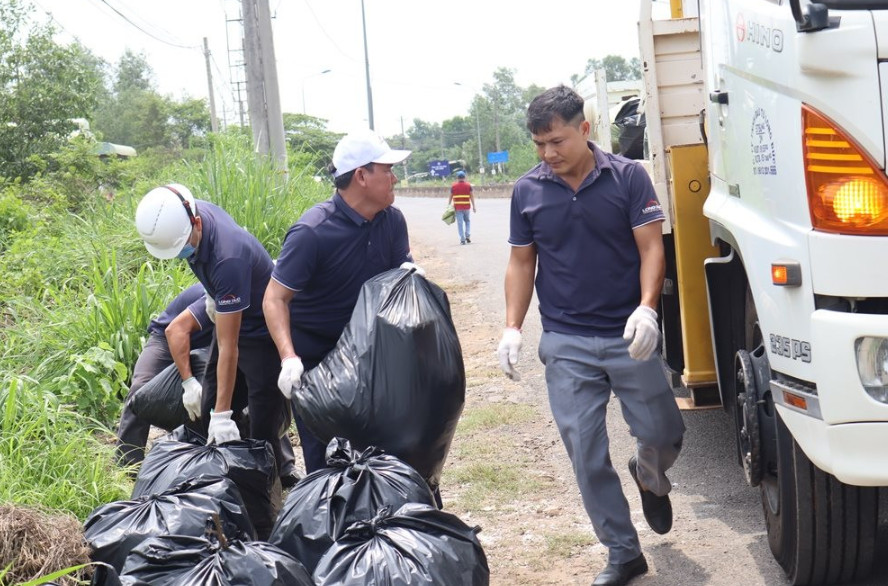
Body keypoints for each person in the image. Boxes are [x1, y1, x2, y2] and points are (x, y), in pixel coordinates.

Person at [496, 85, 685, 586]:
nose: (548, 153)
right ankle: (623, 552)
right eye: (539, 144)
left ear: (584, 129)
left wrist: (647, 310)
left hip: (628, 333)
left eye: (556, 140)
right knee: (584, 449)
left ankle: (650, 472)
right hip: (566, 341)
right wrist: (513, 327)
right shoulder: (528, 191)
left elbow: (650, 249)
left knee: (664, 433)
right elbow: (521, 261)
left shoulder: (628, 178)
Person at [263, 128, 420, 475]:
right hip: (319, 366)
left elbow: (399, 281)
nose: (394, 178)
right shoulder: (313, 232)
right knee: (328, 467)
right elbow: (275, 298)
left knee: (388, 456)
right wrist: (289, 358)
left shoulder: (392, 221)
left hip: (371, 357)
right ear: (362, 175)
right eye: (387, 169)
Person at [134, 184, 296, 500]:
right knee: (207, 409)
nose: (183, 254)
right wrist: (214, 408)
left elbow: (229, 348)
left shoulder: (228, 257)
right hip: (230, 305)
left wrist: (223, 416)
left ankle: (266, 505)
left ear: (196, 223)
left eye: (183, 246)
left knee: (262, 429)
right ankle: (215, 492)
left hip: (260, 332)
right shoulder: (188, 216)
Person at [115, 283, 212, 468]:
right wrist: (188, 381)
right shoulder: (222, 291)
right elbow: (174, 331)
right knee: (141, 388)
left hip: (207, 348)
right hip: (167, 340)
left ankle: (283, 464)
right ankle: (128, 462)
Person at [447, 170, 476, 245]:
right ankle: (468, 235)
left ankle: (462, 239)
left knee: (460, 224)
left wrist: (449, 205)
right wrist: (474, 206)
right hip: (466, 207)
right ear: (464, 177)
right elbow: (472, 196)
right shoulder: (468, 186)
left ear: (457, 178)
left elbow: (450, 196)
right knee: (467, 221)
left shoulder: (453, 186)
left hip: (458, 208)